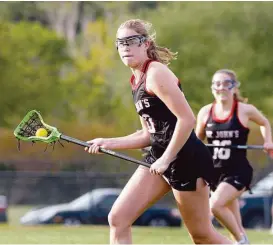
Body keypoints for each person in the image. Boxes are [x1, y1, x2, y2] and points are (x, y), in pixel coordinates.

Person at [84, 19, 232, 245]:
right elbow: (147, 135)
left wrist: (166, 159)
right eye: (120, 43)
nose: (125, 47)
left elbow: (187, 119)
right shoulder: (136, 79)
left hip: (185, 160)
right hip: (158, 157)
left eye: (131, 41)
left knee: (202, 236)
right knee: (118, 218)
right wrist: (107, 142)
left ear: (146, 43)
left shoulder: (156, 73)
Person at [196, 69, 273, 244]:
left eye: (225, 83)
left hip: (238, 172)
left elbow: (264, 122)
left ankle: (241, 241)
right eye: (217, 84)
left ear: (234, 86)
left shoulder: (244, 110)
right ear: (212, 87)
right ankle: (241, 238)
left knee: (215, 205)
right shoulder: (205, 112)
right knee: (234, 225)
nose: (221, 87)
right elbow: (197, 141)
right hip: (215, 173)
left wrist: (268, 140)